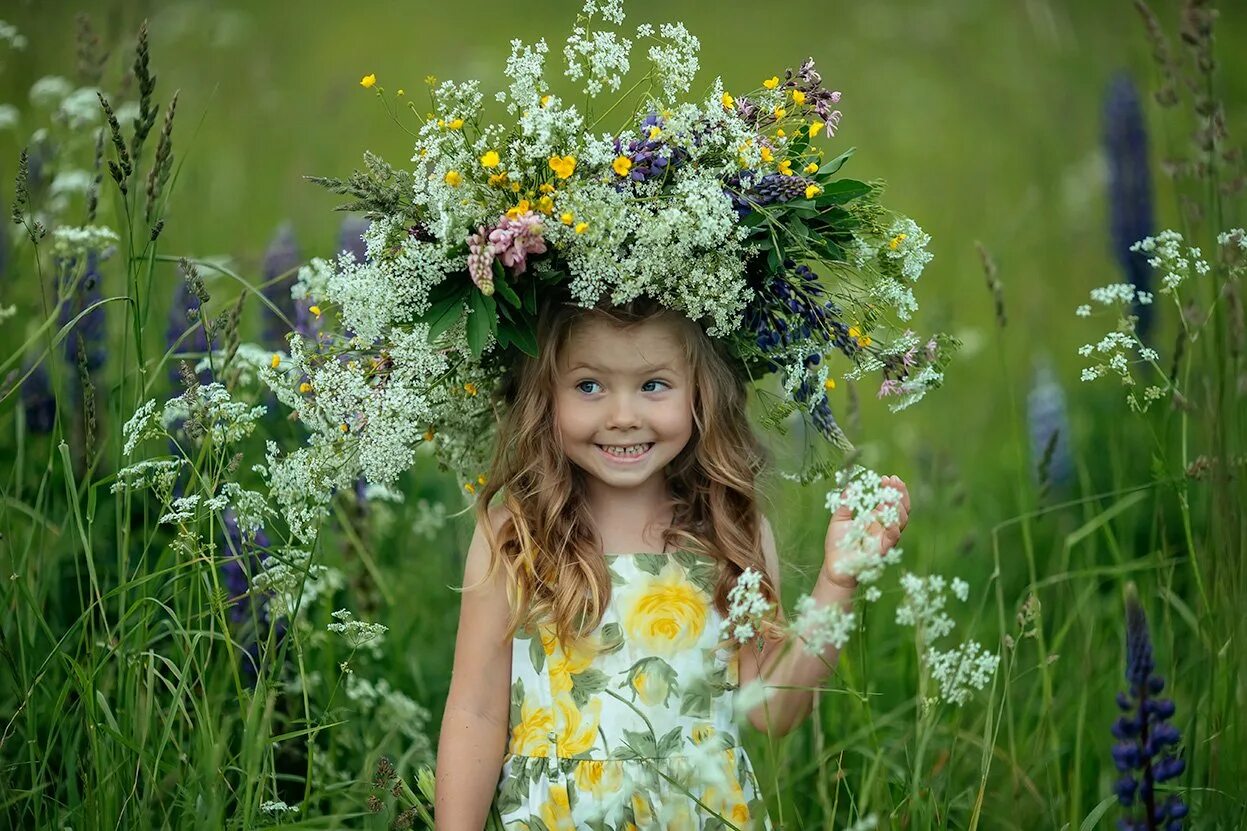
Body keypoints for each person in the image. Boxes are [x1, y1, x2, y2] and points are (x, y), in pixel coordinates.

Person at [434, 291, 910, 829]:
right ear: (546, 394)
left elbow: (773, 709)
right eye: (588, 386)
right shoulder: (515, 535)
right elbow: (475, 712)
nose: (622, 417)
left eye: (653, 385)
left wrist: (836, 583)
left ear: (700, 392)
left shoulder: (730, 533)